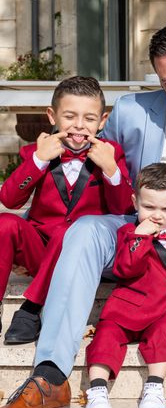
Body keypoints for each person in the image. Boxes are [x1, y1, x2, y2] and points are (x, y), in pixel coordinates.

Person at [0, 23, 166, 408]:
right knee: (84, 229)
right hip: (134, 215)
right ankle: (50, 378)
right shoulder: (130, 110)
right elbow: (104, 171)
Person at [0, 76, 134, 343]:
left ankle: (31, 308)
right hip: (40, 250)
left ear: (103, 121)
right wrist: (38, 160)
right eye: (70, 116)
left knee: (70, 230)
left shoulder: (112, 154)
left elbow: (124, 210)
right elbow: (10, 199)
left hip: (82, 256)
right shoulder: (35, 152)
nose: (79, 126)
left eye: (89, 118)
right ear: (52, 116)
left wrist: (110, 169)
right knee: (4, 223)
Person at [85, 163, 166, 408]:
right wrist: (141, 236)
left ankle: (155, 386)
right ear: (135, 202)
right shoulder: (129, 232)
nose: (157, 215)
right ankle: (97, 388)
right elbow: (126, 268)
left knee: (164, 336)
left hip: (163, 311)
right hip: (125, 309)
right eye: (149, 207)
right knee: (106, 338)